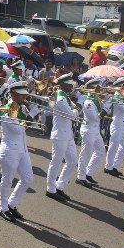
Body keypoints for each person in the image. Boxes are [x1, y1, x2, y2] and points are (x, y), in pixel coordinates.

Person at [0, 81, 34, 222]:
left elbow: (26, 128)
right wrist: (30, 117)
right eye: (21, 95)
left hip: (22, 149)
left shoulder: (22, 108)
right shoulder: (7, 110)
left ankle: (11, 204)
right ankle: (3, 207)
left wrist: (30, 115)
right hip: (9, 150)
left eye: (25, 94)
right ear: (13, 94)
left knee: (28, 178)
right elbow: (17, 129)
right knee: (7, 180)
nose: (24, 97)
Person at [45, 73, 80, 202]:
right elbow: (71, 115)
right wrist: (79, 107)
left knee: (72, 161)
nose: (72, 87)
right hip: (60, 135)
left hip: (68, 134)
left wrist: (76, 107)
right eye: (70, 85)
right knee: (56, 162)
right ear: (64, 85)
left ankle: (59, 186)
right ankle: (50, 189)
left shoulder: (65, 97)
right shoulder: (60, 99)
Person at [76, 79, 106, 187]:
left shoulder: (97, 100)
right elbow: (95, 118)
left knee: (101, 151)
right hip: (89, 130)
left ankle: (88, 173)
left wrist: (107, 103)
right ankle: (80, 177)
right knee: (85, 154)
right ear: (91, 88)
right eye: (97, 88)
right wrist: (106, 108)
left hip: (96, 130)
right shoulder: (88, 102)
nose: (99, 90)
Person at [104, 77, 124, 177]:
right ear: (118, 87)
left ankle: (114, 166)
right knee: (114, 146)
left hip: (122, 124)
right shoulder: (116, 98)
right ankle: (108, 166)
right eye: (123, 86)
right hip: (117, 124)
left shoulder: (122, 96)